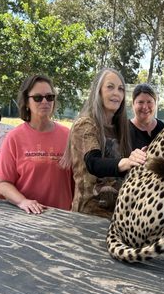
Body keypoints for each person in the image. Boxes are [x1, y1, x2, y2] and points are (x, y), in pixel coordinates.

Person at [61, 68, 146, 219]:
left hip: (119, 216)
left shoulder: (122, 128)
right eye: (110, 87)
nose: (116, 93)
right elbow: (93, 163)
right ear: (98, 91)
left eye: (121, 89)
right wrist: (125, 162)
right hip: (88, 217)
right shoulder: (85, 124)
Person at [0, 74, 73, 214]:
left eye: (49, 97)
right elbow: (1, 182)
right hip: (26, 217)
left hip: (61, 217)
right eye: (37, 98)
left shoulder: (69, 136)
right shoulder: (14, 138)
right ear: (27, 102)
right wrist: (22, 201)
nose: (45, 101)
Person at [129, 83, 164, 149]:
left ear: (155, 103)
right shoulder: (125, 130)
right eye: (140, 102)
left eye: (149, 102)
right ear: (133, 104)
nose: (145, 107)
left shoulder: (163, 128)